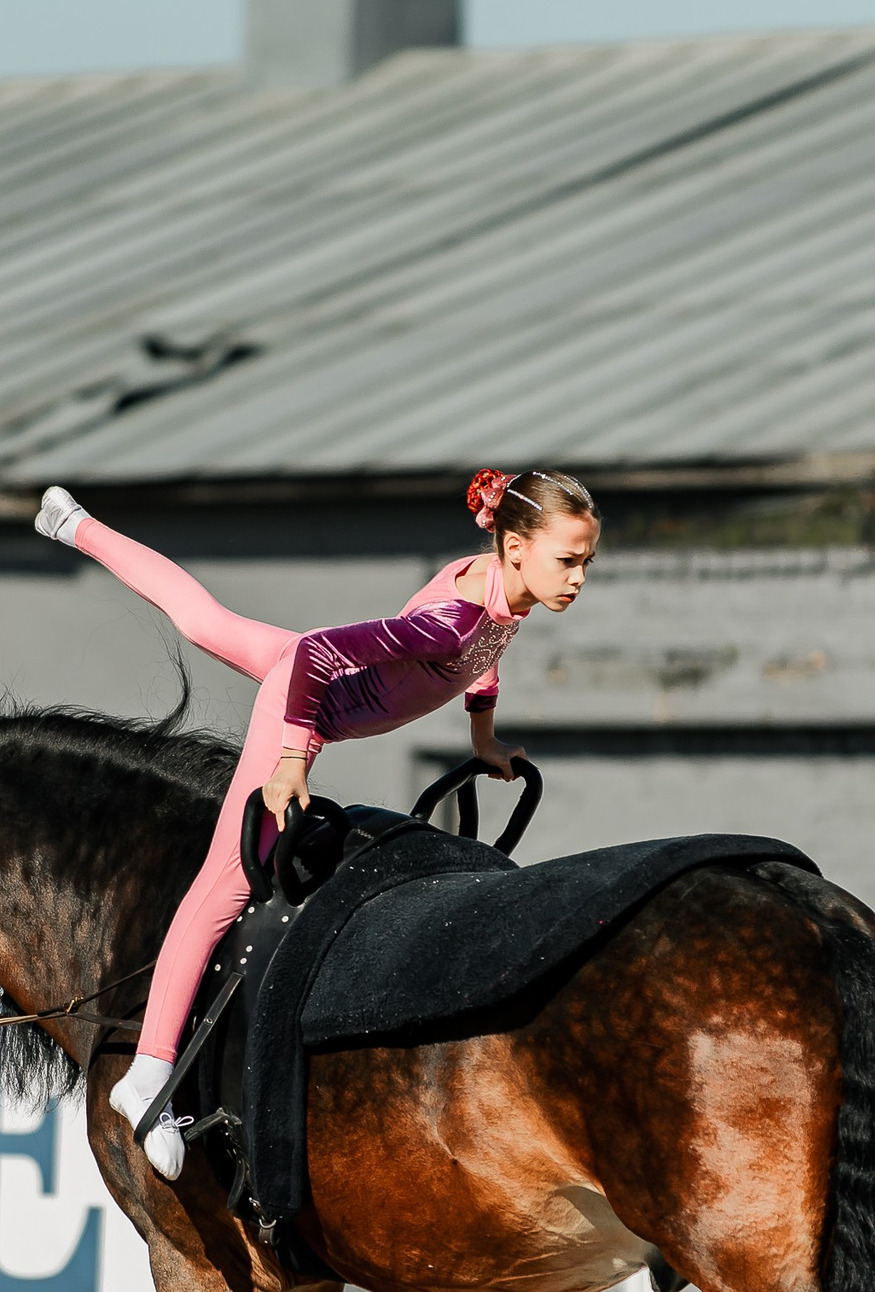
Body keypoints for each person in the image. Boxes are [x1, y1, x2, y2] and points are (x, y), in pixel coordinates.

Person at [36, 469, 601, 1179]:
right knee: (228, 885)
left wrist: (483, 740)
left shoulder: (502, 589)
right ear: (517, 547)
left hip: (306, 682)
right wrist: (292, 760)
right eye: (568, 560)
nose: (580, 577)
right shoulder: (453, 616)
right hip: (304, 701)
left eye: (586, 562)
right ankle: (146, 1074)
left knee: (201, 617)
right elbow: (317, 656)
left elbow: (484, 660)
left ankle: (70, 522)